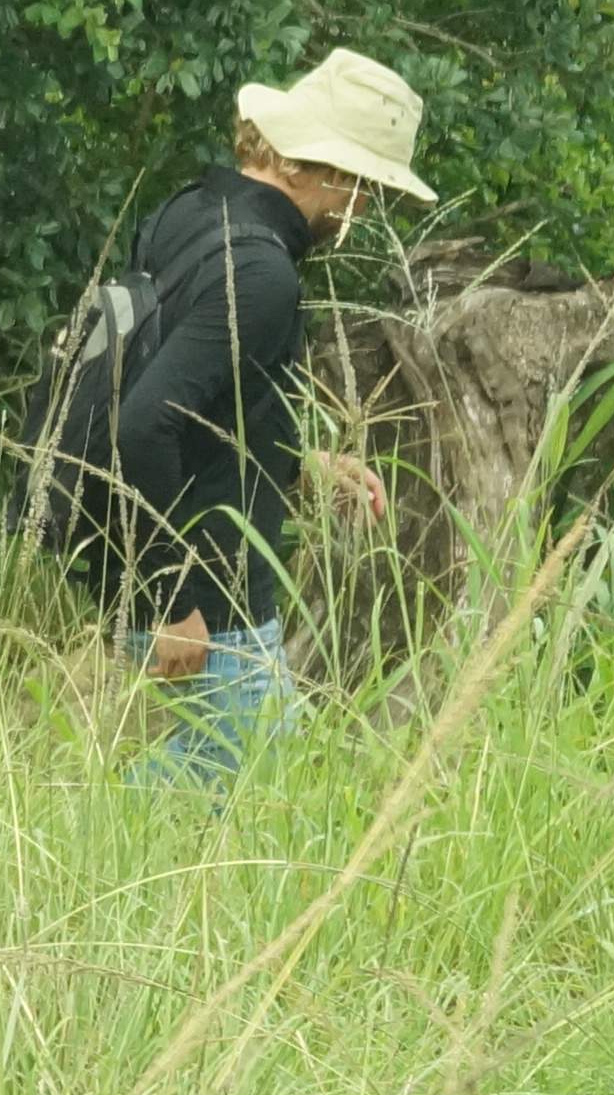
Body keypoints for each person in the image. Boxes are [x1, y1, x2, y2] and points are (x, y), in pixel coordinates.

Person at [111, 51, 429, 788]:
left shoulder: (188, 212)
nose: (361, 209)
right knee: (249, 792)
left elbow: (205, 410)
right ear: (311, 168)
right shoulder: (263, 273)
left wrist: (304, 468)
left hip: (173, 571)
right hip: (211, 601)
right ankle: (51, 873)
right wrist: (174, 604)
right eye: (360, 185)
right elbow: (143, 425)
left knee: (236, 793)